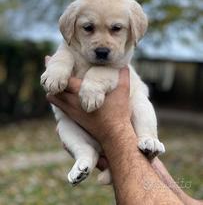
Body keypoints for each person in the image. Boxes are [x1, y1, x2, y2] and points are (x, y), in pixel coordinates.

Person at [47, 67, 203, 205]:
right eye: (88, 30)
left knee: (140, 100)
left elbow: (113, 73)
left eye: (115, 31)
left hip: (129, 123)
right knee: (63, 126)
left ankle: (148, 137)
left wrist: (115, 132)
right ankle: (85, 155)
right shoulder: (69, 50)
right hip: (84, 128)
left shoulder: (113, 61)